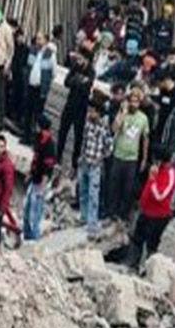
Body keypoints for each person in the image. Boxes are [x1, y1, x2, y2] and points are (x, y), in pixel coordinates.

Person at [128, 148, 175, 268]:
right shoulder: (156, 169)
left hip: (158, 216)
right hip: (145, 211)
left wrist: (152, 180)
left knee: (151, 245)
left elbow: (160, 196)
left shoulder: (170, 174)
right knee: (136, 239)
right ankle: (133, 265)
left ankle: (150, 270)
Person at [109, 89, 150, 222]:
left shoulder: (143, 118)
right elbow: (114, 128)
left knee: (128, 189)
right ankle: (112, 213)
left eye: (136, 102)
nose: (134, 104)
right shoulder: (123, 114)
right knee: (114, 186)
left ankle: (124, 215)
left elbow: (145, 139)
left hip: (132, 158)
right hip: (118, 155)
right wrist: (122, 112)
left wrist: (144, 158)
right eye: (132, 101)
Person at [78, 102, 112, 240]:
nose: (89, 114)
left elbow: (109, 147)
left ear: (98, 113)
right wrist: (81, 156)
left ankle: (92, 224)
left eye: (92, 112)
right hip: (86, 161)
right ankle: (84, 216)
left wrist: (101, 159)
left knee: (93, 194)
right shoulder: (87, 124)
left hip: (95, 165)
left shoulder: (104, 128)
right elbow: (84, 141)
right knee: (83, 190)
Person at [23, 114, 59, 241]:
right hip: (35, 178)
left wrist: (43, 183)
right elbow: (36, 159)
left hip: (41, 182)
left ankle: (35, 239)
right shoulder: (39, 139)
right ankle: (27, 235)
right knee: (26, 207)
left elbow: (49, 165)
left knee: (36, 212)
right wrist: (30, 173)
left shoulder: (49, 144)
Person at [59, 48, 94, 169]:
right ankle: (58, 157)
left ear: (87, 60)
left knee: (78, 137)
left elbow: (86, 88)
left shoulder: (91, 71)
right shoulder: (75, 67)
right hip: (70, 104)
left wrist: (77, 81)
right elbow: (67, 82)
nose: (78, 60)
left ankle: (74, 163)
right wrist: (79, 80)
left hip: (81, 108)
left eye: (80, 58)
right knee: (62, 131)